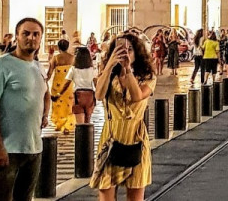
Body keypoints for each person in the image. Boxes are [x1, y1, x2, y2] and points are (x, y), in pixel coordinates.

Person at [0, 18, 49, 201]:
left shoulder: (38, 67)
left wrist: (45, 114)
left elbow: (45, 92)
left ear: (41, 38)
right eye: (26, 33)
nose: (31, 38)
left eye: (36, 34)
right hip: (7, 149)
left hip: (32, 148)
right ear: (16, 37)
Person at [90, 32, 156, 201]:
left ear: (137, 53)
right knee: (105, 192)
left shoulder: (147, 76)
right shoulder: (108, 74)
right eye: (119, 49)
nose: (125, 53)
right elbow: (98, 95)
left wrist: (128, 71)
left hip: (135, 139)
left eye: (129, 49)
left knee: (135, 195)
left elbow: (137, 96)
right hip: (110, 141)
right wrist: (109, 66)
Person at [47, 39, 76, 133]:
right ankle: (68, 125)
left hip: (57, 85)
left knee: (58, 104)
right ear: (67, 47)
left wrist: (45, 81)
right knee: (69, 104)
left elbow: (50, 72)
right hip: (69, 84)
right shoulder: (73, 58)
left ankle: (59, 124)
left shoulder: (55, 58)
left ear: (58, 47)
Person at [68, 46, 97, 125]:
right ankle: (87, 133)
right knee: (87, 121)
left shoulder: (73, 69)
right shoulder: (92, 69)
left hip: (78, 95)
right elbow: (95, 82)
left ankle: (80, 133)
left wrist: (60, 92)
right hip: (90, 95)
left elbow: (67, 82)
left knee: (80, 123)